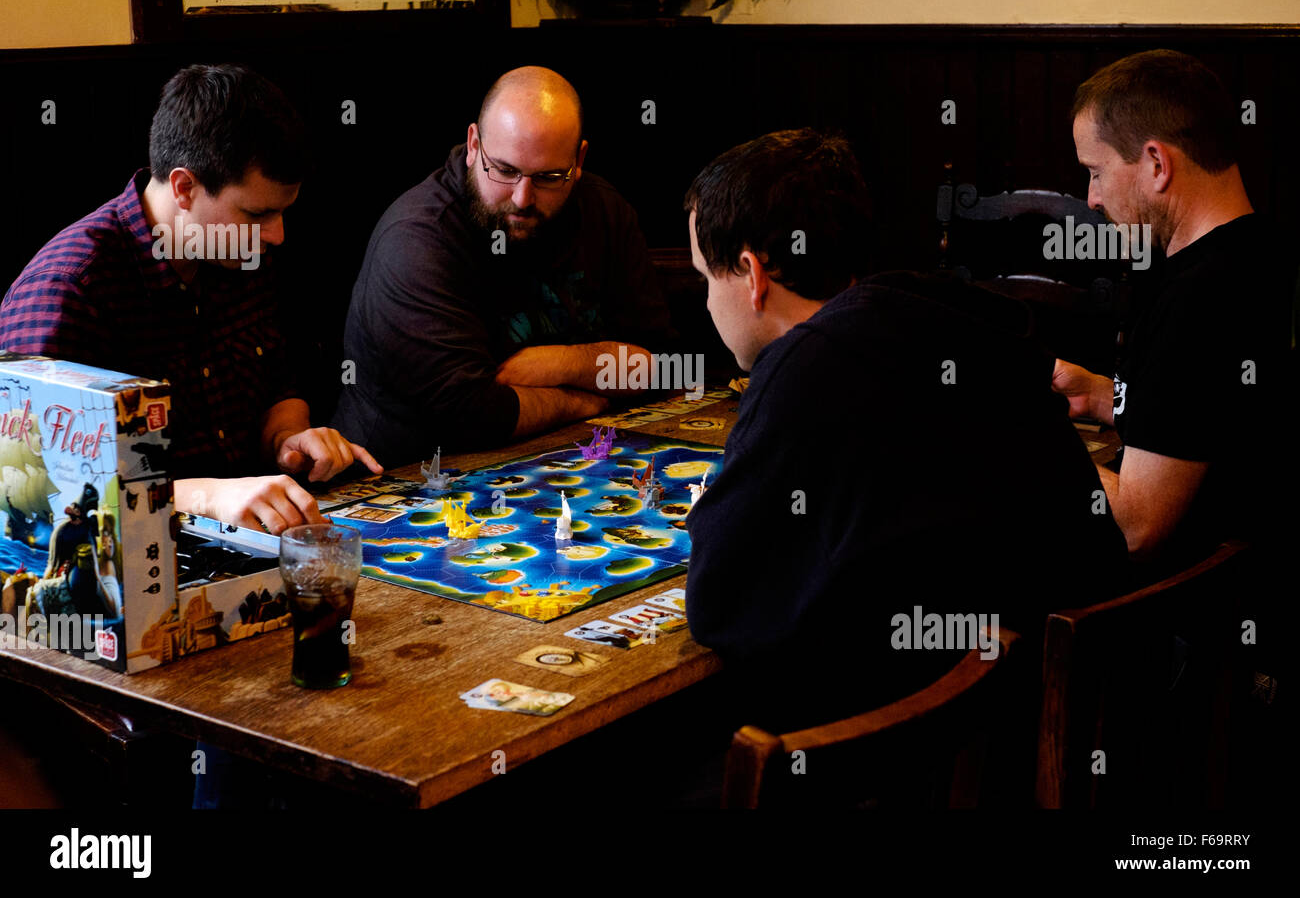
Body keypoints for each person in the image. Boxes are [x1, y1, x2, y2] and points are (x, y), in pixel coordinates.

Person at [682, 129, 1128, 735]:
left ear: (750, 272)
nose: (708, 304)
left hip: (912, 747)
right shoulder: (948, 311)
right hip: (1051, 701)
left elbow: (719, 603)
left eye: (707, 279)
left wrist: (713, 514)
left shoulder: (803, 364)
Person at [0, 64, 380, 535]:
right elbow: (30, 500)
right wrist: (207, 496)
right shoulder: (70, 289)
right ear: (184, 187)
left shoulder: (235, 253)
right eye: (258, 213)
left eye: (283, 213)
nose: (278, 235)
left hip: (248, 548)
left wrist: (288, 439)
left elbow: (279, 387)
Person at [332, 66, 673, 466]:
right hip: (405, 481)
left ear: (578, 160)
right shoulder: (417, 239)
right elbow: (474, 414)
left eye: (548, 177)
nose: (523, 198)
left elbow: (663, 365)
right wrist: (586, 399)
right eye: (506, 171)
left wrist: (564, 363)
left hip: (557, 465)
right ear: (474, 145)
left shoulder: (604, 209)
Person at [1050, 49, 1296, 570]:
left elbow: (1137, 524)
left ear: (1157, 164)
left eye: (1095, 172)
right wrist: (1100, 395)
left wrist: (1021, 437)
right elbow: (1198, 414)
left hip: (1180, 607)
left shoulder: (1201, 298)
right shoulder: (1264, 251)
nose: (1091, 199)